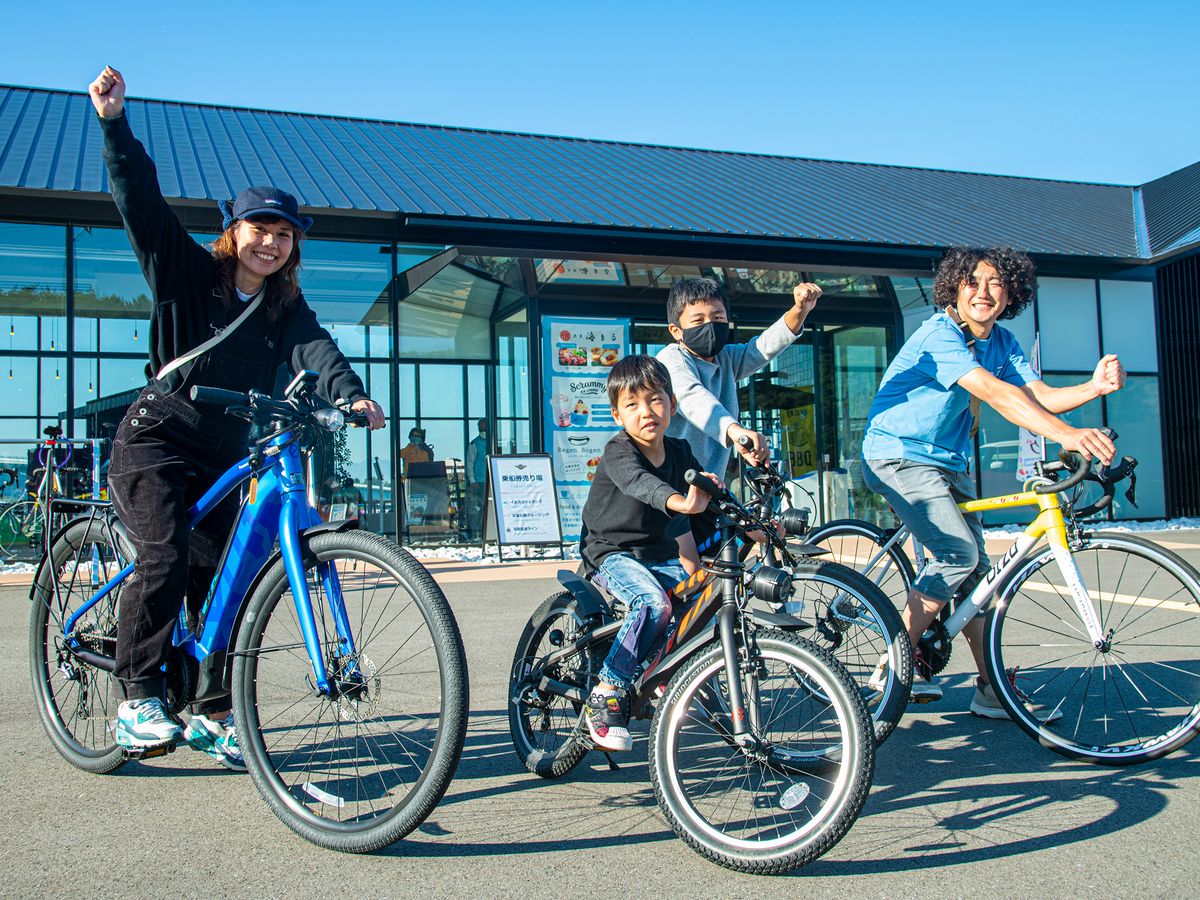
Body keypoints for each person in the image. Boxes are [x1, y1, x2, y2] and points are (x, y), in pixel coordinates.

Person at [89, 67, 385, 767]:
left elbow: (320, 351)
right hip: (157, 435)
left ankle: (210, 708)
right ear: (234, 230)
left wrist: (350, 397)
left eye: (284, 234)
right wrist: (113, 125)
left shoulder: (286, 309)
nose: (272, 243)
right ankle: (136, 697)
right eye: (260, 228)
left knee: (230, 577)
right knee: (162, 555)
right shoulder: (186, 274)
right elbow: (141, 203)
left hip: (224, 448)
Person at [861, 246, 1124, 717]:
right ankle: (891, 666)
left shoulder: (1001, 341)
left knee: (979, 579)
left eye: (995, 283)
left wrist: (1094, 388)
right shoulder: (938, 334)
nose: (983, 292)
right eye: (972, 282)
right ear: (954, 289)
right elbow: (994, 393)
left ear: (1011, 294)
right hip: (898, 454)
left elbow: (1036, 394)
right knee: (957, 554)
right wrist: (1068, 435)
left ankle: (991, 688)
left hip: (948, 463)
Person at [578, 355, 719, 751]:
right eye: (633, 404)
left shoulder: (680, 451)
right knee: (653, 604)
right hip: (611, 551)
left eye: (655, 400)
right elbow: (641, 484)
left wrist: (752, 525)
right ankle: (607, 690)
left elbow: (709, 496)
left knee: (700, 600)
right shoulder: (618, 452)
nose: (646, 412)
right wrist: (679, 501)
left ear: (672, 405)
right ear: (617, 414)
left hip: (658, 553)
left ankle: (660, 674)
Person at [656, 277, 822, 482]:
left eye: (717, 318)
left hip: (711, 486)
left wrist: (800, 310)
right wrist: (735, 431)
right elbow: (692, 397)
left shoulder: (726, 358)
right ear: (676, 331)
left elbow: (763, 347)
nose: (710, 326)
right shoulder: (670, 359)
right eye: (698, 321)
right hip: (671, 488)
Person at [464, 418, 489, 539]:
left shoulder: (494, 442)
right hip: (479, 482)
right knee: (477, 509)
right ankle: (475, 533)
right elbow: (470, 463)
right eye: (481, 426)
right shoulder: (474, 444)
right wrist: (472, 480)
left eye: (484, 426)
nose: (483, 429)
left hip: (491, 481)